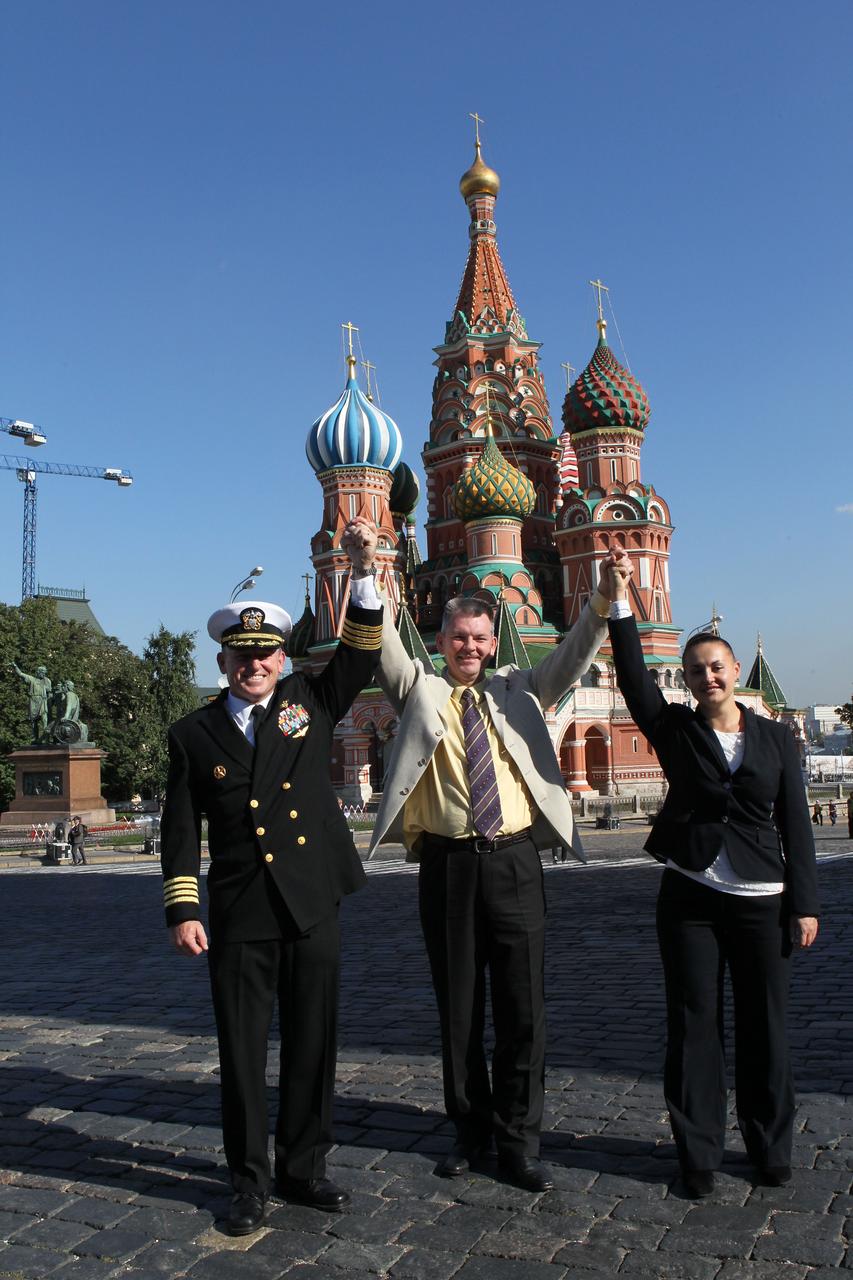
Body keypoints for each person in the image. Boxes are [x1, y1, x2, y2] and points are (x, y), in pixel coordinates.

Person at [365, 518, 632, 1192]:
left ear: (492, 644)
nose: (469, 648)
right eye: (458, 638)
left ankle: (519, 1138)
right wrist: (369, 569)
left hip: (513, 861)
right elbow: (384, 647)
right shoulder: (418, 690)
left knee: (522, 1008)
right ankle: (468, 1129)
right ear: (442, 642)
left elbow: (571, 656)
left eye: (480, 639)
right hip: (448, 864)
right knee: (458, 1007)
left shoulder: (520, 689)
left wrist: (601, 598)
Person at [160, 541, 382, 1237]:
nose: (254, 664)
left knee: (313, 1042)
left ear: (282, 658)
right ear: (222, 661)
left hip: (312, 901)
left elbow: (359, 654)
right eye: (241, 654)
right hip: (239, 911)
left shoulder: (308, 702)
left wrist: (367, 576)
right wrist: (183, 907)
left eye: (266, 653)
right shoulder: (192, 735)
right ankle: (248, 1179)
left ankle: (303, 1168)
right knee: (243, 1053)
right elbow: (178, 827)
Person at [606, 552, 819, 1199]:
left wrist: (803, 903)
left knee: (765, 1028)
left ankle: (767, 1146)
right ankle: (697, 1154)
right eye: (695, 670)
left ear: (732, 672)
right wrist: (619, 601)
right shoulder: (673, 728)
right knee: (693, 1025)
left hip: (761, 898)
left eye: (715, 667)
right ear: (688, 678)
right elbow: (634, 680)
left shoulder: (776, 739)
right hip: (691, 897)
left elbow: (798, 824)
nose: (706, 677)